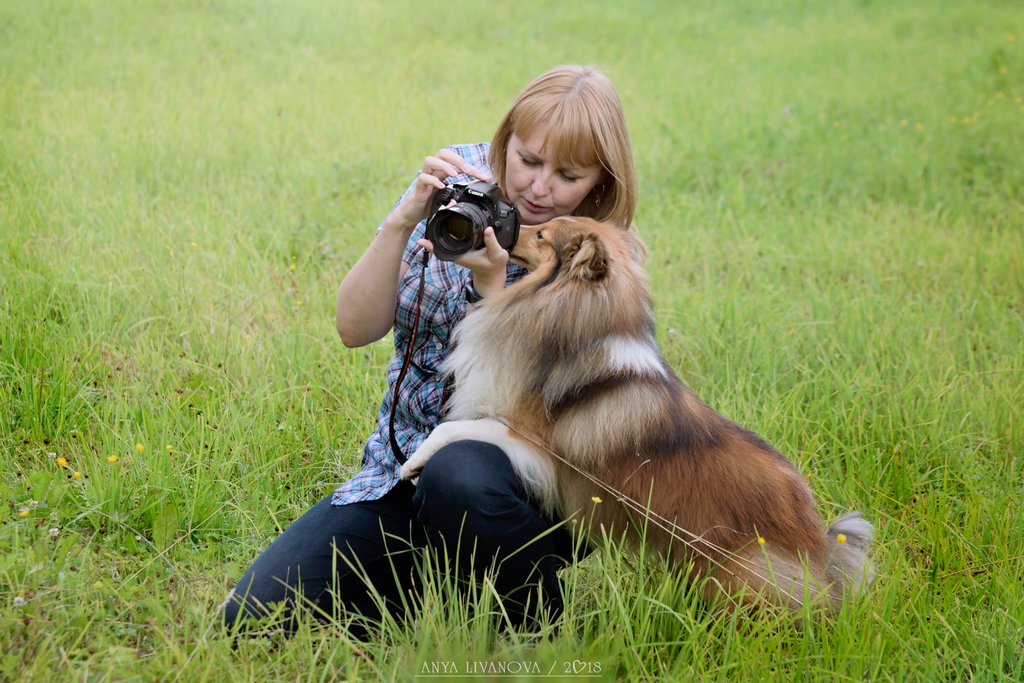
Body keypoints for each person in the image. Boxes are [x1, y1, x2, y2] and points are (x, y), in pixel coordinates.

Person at [223, 65, 639, 637]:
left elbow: (529, 415)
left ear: (598, 180)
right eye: (527, 160)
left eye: (567, 174)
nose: (539, 188)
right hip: (402, 476)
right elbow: (353, 328)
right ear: (505, 140)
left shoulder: (597, 255)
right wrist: (403, 220)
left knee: (458, 474)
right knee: (251, 619)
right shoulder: (459, 185)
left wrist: (494, 291)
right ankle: (444, 587)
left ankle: (534, 621)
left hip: (526, 487)